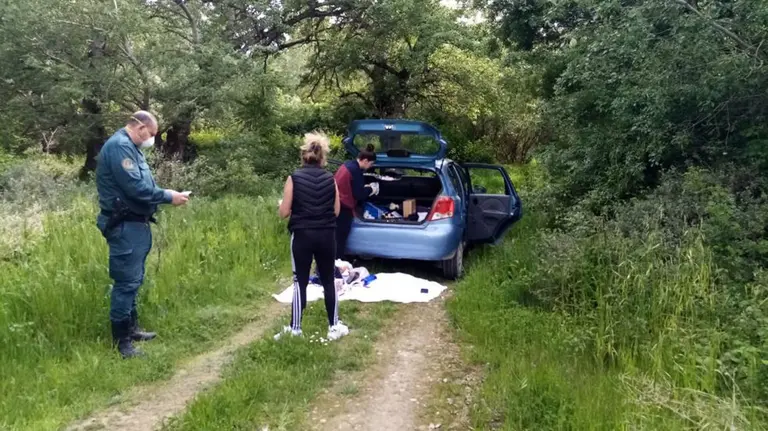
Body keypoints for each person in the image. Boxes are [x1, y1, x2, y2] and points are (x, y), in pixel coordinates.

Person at [95, 111, 189, 359]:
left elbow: (143, 185)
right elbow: (135, 188)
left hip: (136, 223)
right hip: (124, 225)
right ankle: (122, 342)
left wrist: (164, 193)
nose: (152, 140)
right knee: (126, 283)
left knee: (134, 278)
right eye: (152, 134)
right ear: (140, 127)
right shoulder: (120, 147)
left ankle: (132, 328)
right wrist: (169, 196)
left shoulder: (132, 148)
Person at [275, 131, 349, 341]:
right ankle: (334, 326)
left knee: (300, 281)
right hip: (327, 235)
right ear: (323, 158)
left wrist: (282, 205)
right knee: (328, 279)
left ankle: (296, 328)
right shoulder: (330, 179)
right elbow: (336, 211)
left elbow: (284, 213)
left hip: (302, 235)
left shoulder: (294, 178)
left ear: (304, 156)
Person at [334, 144, 377, 261]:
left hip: (336, 204)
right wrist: (371, 189)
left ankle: (339, 260)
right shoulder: (356, 171)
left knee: (337, 237)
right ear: (365, 160)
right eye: (371, 164)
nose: (370, 167)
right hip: (343, 208)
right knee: (340, 237)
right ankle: (339, 262)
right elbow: (359, 194)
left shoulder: (347, 165)